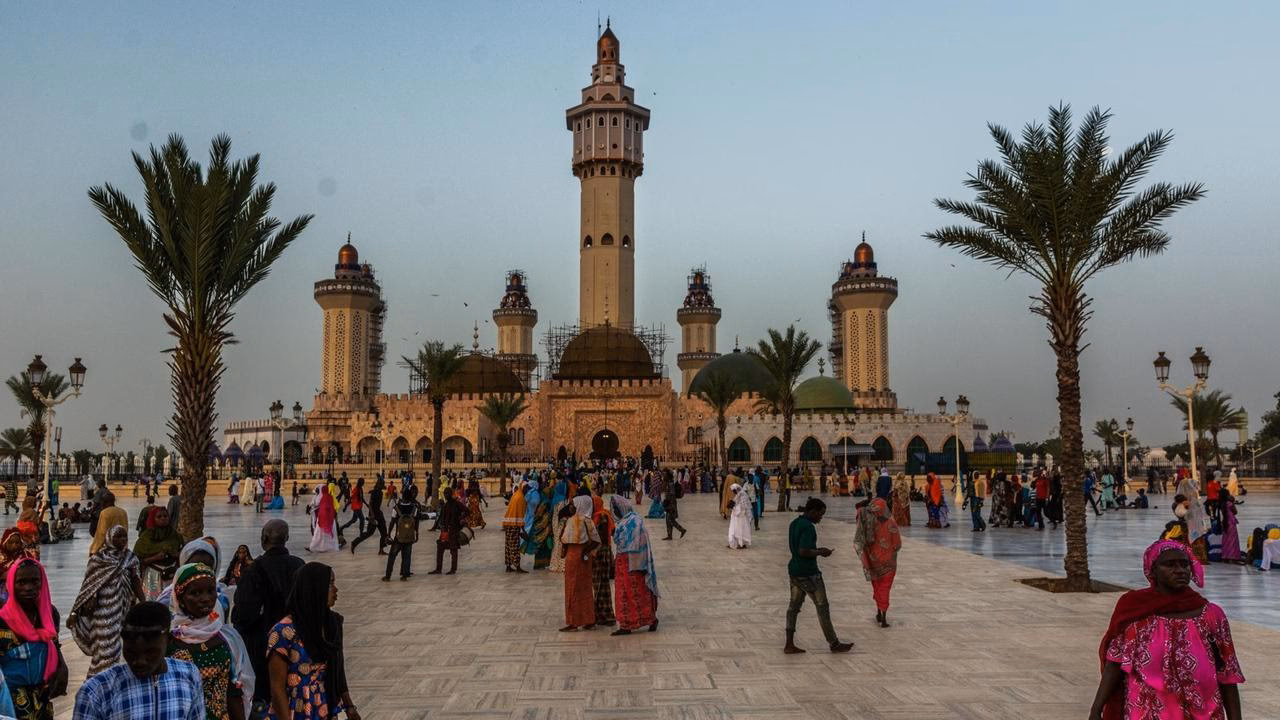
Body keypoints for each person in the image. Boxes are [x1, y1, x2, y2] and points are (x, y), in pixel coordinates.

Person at [1089, 540, 1243, 720]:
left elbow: (1227, 673)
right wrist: (1096, 708)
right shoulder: (1135, 611)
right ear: (1153, 570)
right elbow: (1114, 663)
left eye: (1184, 564)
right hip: (1147, 712)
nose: (1180, 570)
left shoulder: (1211, 614)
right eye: (1170, 565)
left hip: (1204, 712)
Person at [72, 602, 205, 720]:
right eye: (132, 653)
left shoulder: (189, 675)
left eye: (150, 652)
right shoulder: (95, 691)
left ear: (169, 640)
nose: (139, 662)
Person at [266, 563, 358, 720]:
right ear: (314, 589)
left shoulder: (332, 623)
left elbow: (338, 669)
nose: (335, 590)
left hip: (324, 706)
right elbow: (277, 687)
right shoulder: (283, 632)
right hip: (294, 709)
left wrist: (349, 705)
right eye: (330, 584)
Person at [231, 519, 304, 714]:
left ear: (263, 538)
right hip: (296, 644)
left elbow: (243, 613)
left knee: (267, 697)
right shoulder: (299, 565)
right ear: (287, 538)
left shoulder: (254, 570)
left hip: (262, 646)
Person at [166, 563, 253, 720]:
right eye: (195, 593)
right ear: (179, 597)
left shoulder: (226, 637)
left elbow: (233, 690)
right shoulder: (169, 641)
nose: (205, 599)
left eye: (210, 591)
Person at [68, 525, 144, 677]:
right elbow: (88, 587)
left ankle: (110, 678)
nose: (122, 540)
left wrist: (143, 602)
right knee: (105, 647)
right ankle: (99, 679)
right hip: (102, 611)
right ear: (109, 538)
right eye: (118, 537)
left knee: (120, 645)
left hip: (124, 608)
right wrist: (75, 611)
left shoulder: (130, 558)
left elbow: (136, 581)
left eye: (125, 537)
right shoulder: (98, 559)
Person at [0, 559, 69, 720]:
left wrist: (62, 667)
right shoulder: (3, 620)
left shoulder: (49, 614)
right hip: (10, 701)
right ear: (11, 584)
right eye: (21, 582)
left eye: (34, 581)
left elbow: (53, 644)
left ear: (42, 582)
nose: (28, 588)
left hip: (42, 697)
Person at [783, 498, 853, 654]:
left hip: (795, 571)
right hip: (809, 574)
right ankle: (834, 643)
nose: (821, 518)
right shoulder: (808, 528)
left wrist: (817, 549)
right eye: (820, 515)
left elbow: (799, 549)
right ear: (812, 512)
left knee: (793, 608)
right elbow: (804, 551)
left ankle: (789, 644)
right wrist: (821, 552)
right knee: (822, 607)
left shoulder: (794, 523)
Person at [608, 496, 659, 636]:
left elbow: (630, 540)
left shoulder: (631, 522)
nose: (616, 512)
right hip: (629, 561)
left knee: (632, 592)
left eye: (617, 509)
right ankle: (632, 622)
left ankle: (637, 622)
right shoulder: (633, 520)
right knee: (632, 592)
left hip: (633, 561)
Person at [853, 498, 901, 628]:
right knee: (885, 588)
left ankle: (879, 612)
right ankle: (884, 617)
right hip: (889, 564)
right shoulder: (891, 523)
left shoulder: (869, 523)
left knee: (877, 587)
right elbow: (897, 545)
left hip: (873, 562)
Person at [558, 496, 600, 632]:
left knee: (572, 588)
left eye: (573, 505)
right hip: (584, 559)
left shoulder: (572, 521)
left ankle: (573, 622)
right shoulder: (588, 521)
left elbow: (563, 540)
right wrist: (586, 552)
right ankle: (589, 621)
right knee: (586, 588)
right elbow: (596, 540)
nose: (571, 507)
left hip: (573, 557)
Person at [134, 507, 184, 600]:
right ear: (153, 519)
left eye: (165, 516)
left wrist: (177, 555)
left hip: (172, 575)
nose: (163, 518)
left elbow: (184, 552)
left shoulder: (175, 535)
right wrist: (155, 558)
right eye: (159, 516)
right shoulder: (145, 537)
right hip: (153, 575)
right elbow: (137, 560)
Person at [384, 485, 427, 581]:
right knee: (407, 555)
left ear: (402, 496)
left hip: (398, 536)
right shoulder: (414, 508)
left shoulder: (396, 507)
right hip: (409, 536)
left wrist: (388, 533)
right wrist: (417, 534)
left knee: (392, 556)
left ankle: (388, 576)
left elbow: (392, 522)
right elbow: (416, 522)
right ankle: (404, 575)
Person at [589, 494, 615, 626]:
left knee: (599, 584)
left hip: (600, 553)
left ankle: (602, 615)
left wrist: (595, 549)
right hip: (603, 552)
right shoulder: (599, 515)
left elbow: (604, 535)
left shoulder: (602, 516)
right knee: (602, 585)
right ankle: (604, 615)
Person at [429, 486, 467, 575]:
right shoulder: (445, 505)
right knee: (440, 548)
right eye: (445, 493)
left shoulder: (457, 504)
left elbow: (467, 511)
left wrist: (461, 519)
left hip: (454, 530)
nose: (446, 495)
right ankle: (438, 569)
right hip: (445, 531)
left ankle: (453, 569)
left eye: (447, 493)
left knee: (453, 550)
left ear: (451, 494)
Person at [350, 478, 387, 556]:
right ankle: (354, 542)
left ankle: (381, 550)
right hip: (374, 515)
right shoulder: (376, 493)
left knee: (383, 533)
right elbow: (370, 504)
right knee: (369, 533)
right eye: (382, 484)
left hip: (378, 514)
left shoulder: (379, 492)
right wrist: (372, 516)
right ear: (379, 484)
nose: (383, 485)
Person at [522, 481, 553, 570]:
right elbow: (539, 514)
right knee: (543, 547)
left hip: (541, 527)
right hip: (543, 527)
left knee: (542, 547)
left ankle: (541, 563)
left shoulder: (542, 500)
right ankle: (541, 563)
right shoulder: (545, 502)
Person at [87, 492, 126, 556]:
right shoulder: (123, 512)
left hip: (108, 549)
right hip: (121, 548)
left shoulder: (105, 513)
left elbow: (101, 533)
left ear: (104, 502)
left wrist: (94, 549)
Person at [502, 482, 527, 573]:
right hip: (513, 525)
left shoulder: (516, 494)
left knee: (508, 545)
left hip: (508, 523)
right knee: (514, 545)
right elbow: (520, 514)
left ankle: (508, 566)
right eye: (526, 488)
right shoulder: (521, 498)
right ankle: (518, 567)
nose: (527, 490)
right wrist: (523, 529)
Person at [308, 484, 339, 553]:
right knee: (328, 535)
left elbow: (322, 509)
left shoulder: (322, 498)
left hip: (322, 518)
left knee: (319, 534)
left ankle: (317, 547)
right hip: (330, 519)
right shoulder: (329, 497)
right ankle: (329, 547)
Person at [727, 483, 753, 549]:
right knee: (734, 530)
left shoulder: (743, 495)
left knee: (741, 530)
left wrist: (734, 507)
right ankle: (734, 543)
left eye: (734, 491)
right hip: (736, 517)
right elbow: (735, 503)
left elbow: (743, 507)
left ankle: (741, 544)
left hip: (741, 517)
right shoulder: (738, 494)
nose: (733, 492)